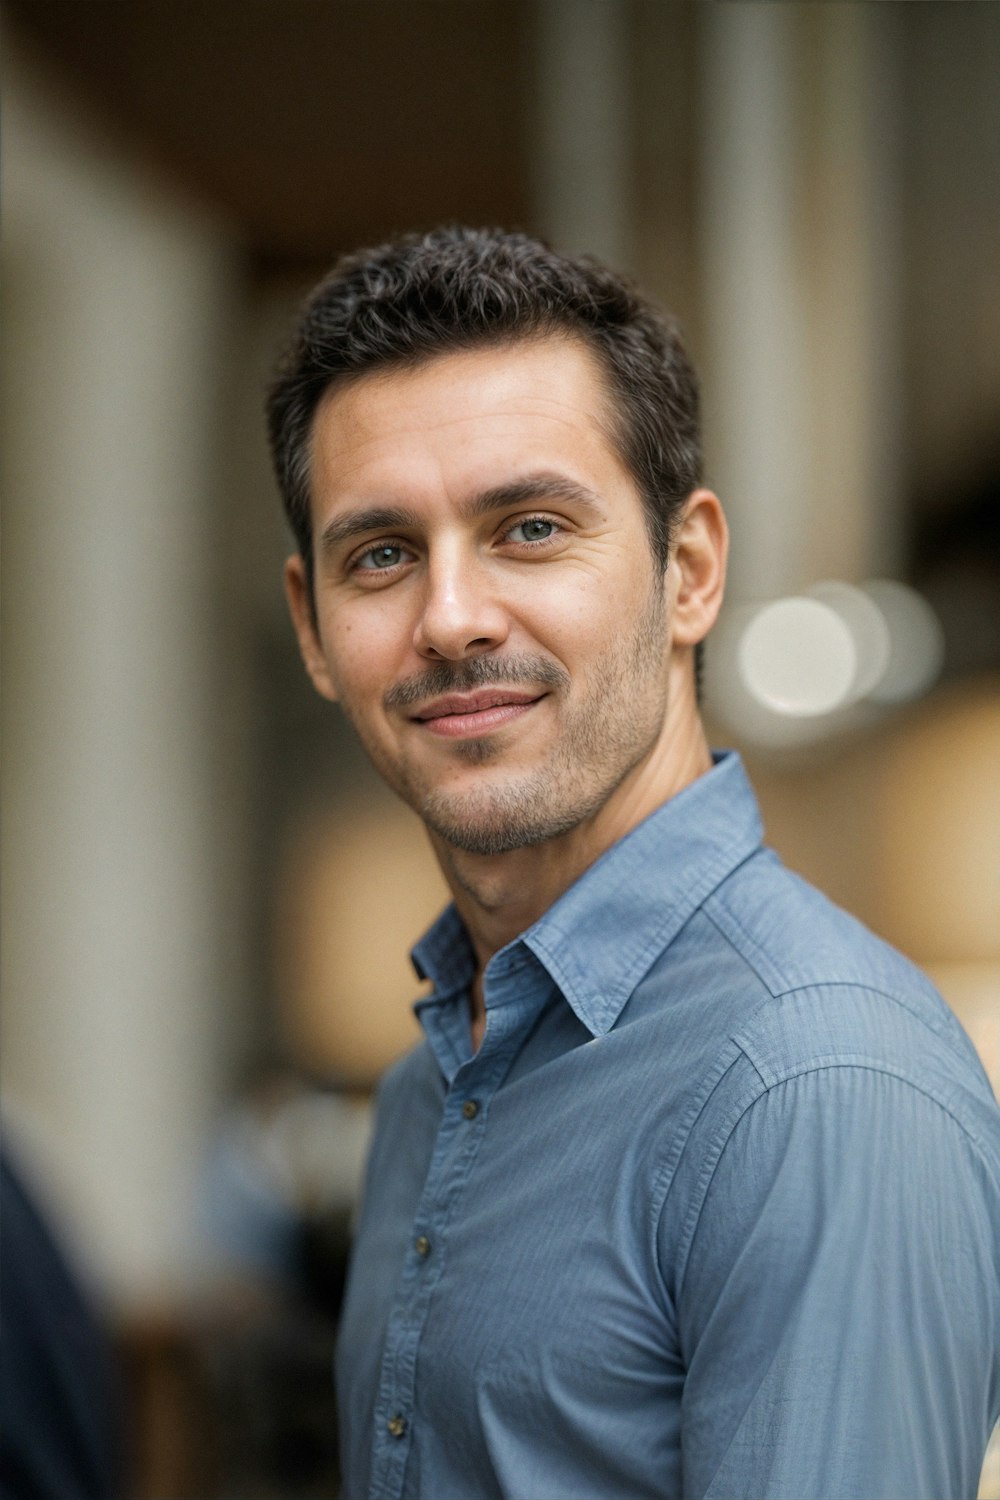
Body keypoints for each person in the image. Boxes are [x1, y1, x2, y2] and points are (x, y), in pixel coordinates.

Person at [267, 227, 1000, 1500]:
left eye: (531, 528)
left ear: (690, 573)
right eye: (380, 555)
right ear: (314, 629)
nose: (450, 618)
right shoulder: (422, 1101)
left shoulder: (813, 1084)